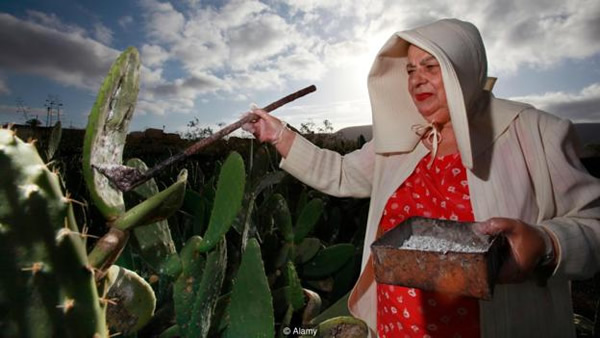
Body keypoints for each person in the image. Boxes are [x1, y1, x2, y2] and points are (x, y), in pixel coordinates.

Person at [244, 18, 600, 337]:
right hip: (392, 326)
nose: (416, 80)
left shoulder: (535, 132)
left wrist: (548, 243)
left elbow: (593, 224)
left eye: (431, 66)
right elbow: (340, 173)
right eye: (410, 70)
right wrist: (279, 135)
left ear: (463, 68)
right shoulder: (406, 141)